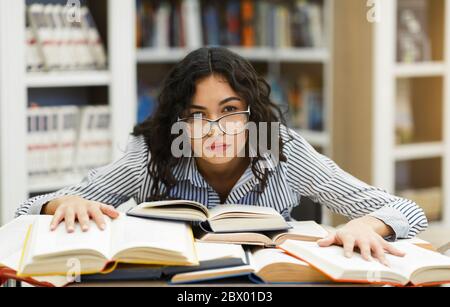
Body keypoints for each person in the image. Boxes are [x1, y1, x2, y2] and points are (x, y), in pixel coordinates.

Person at [16, 47, 428, 266]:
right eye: (197, 115)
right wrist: (62, 201)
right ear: (178, 121)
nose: (215, 129)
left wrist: (366, 224)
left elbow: (405, 211)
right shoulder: (150, 156)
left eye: (230, 110)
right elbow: (27, 209)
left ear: (251, 110)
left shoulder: (282, 148)